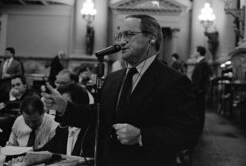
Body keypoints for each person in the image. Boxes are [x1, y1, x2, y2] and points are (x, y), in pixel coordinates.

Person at [42, 14, 199, 166]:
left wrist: (141, 136)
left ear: (152, 38)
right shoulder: (113, 78)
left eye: (129, 34)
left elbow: (187, 132)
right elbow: (98, 117)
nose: (122, 41)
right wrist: (64, 107)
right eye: (120, 35)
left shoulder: (173, 81)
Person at [37, 83, 90, 156]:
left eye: (64, 104)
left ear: (79, 107)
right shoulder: (62, 128)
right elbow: (47, 150)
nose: (59, 109)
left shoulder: (91, 133)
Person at [191, 46, 211, 133]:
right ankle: (198, 127)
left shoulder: (202, 63)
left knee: (199, 109)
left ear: (199, 53)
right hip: (198, 90)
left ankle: (199, 128)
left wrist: (197, 89)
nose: (194, 53)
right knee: (199, 109)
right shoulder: (201, 62)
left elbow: (202, 78)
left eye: (195, 51)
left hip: (199, 91)